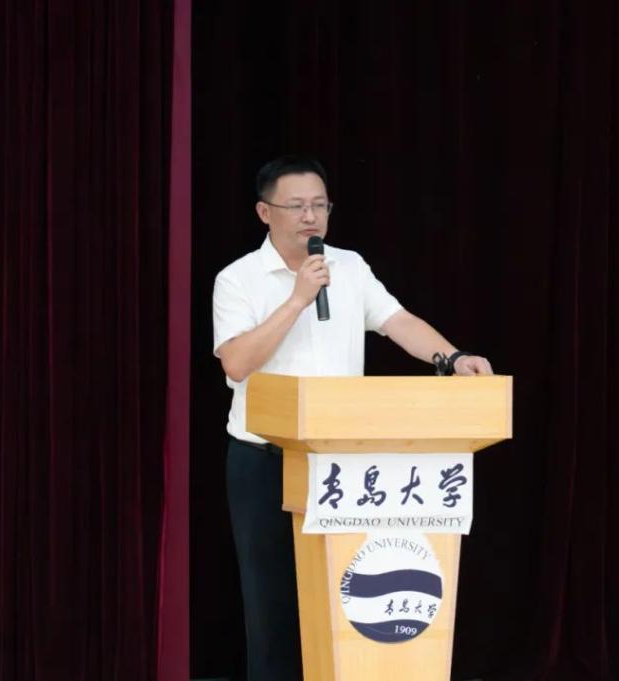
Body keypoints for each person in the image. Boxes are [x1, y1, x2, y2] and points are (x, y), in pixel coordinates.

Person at [212, 155, 493, 680]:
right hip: (263, 460)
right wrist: (298, 299)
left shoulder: (350, 267)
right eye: (296, 206)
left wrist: (453, 358)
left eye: (319, 205)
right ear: (264, 212)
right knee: (271, 607)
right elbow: (237, 363)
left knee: (343, 595)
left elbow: (397, 321)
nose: (310, 217)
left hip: (341, 463)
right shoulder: (238, 279)